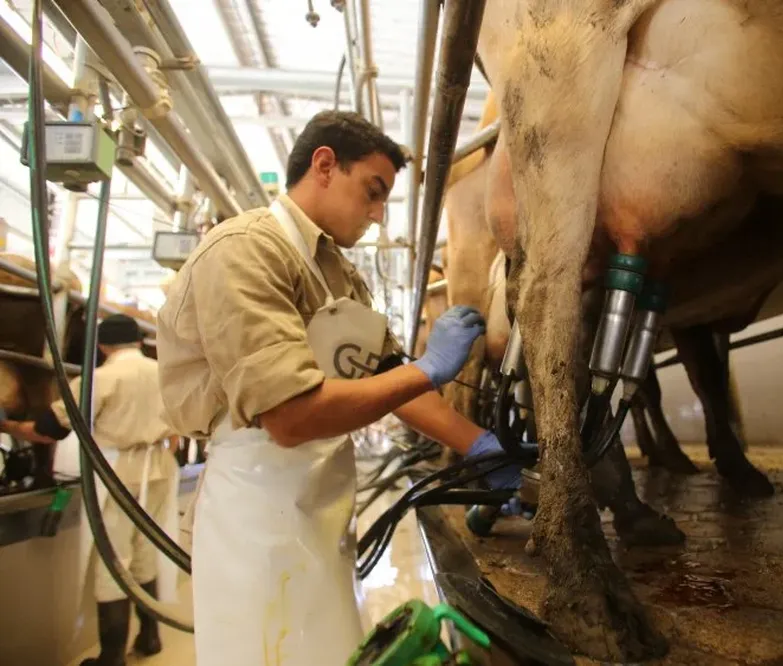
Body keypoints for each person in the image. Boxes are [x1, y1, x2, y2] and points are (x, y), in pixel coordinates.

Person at [156, 110, 527, 666]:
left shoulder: (339, 273)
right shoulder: (244, 251)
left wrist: (477, 446)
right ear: (324, 164)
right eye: (373, 193)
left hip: (320, 503)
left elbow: (387, 382)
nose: (379, 217)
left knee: (328, 649)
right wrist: (427, 368)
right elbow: (290, 418)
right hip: (258, 509)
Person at [0, 314, 178, 666]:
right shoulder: (164, 374)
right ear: (139, 342)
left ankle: (111, 656)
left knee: (113, 560)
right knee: (145, 553)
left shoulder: (100, 378)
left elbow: (48, 430)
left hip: (117, 474)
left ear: (101, 345)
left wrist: (6, 425)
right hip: (159, 469)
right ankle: (150, 635)